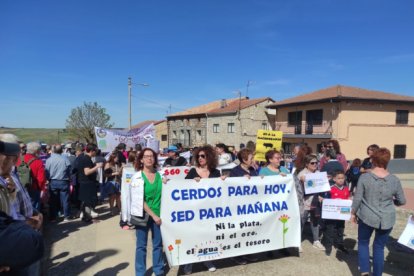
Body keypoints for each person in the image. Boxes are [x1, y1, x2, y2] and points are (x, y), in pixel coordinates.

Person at [351, 148, 406, 276]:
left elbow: (357, 198)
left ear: (373, 160)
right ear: (388, 161)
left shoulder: (364, 178)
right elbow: (402, 200)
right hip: (387, 218)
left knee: (363, 243)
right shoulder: (394, 180)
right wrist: (394, 201)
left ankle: (365, 270)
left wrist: (353, 213)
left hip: (367, 216)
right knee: (379, 247)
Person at [183, 145, 221, 274]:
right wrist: (191, 182)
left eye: (203, 156)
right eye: (198, 156)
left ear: (209, 157)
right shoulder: (193, 172)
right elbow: (181, 190)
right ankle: (188, 264)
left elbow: (221, 191)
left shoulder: (216, 172)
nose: (200, 158)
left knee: (208, 236)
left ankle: (208, 260)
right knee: (192, 237)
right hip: (194, 212)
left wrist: (224, 181)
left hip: (210, 213)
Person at [134, 148, 164, 276]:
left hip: (159, 214)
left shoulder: (161, 175)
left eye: (151, 156)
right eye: (146, 156)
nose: (149, 158)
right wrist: (153, 215)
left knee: (157, 245)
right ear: (141, 159)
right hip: (142, 215)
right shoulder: (137, 177)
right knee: (141, 246)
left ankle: (159, 270)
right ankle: (140, 273)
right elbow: (139, 200)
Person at [297, 154, 325, 251]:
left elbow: (321, 187)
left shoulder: (318, 172)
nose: (315, 164)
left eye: (316, 163)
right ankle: (297, 242)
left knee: (315, 221)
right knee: (301, 221)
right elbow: (303, 179)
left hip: (315, 201)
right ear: (307, 164)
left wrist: (321, 195)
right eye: (312, 163)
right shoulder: (302, 173)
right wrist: (312, 179)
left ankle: (316, 241)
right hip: (304, 202)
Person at [322, 170, 350, 256]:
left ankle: (340, 245)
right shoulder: (330, 189)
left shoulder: (346, 189)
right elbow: (325, 200)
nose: (341, 180)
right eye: (339, 178)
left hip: (341, 215)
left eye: (342, 178)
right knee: (330, 230)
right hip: (331, 216)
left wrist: (349, 201)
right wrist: (324, 200)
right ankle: (328, 246)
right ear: (334, 179)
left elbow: (348, 199)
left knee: (340, 230)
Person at [75, 143, 103, 223]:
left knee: (86, 201)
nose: (96, 153)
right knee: (87, 201)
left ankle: (86, 217)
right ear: (91, 151)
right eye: (95, 151)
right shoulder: (86, 159)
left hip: (85, 183)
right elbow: (87, 172)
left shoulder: (84, 158)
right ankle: (87, 218)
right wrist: (97, 166)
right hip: (86, 183)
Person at [45, 144, 72, 222]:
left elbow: (46, 172)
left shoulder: (49, 160)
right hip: (63, 181)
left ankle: (53, 217)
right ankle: (66, 216)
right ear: (61, 150)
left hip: (53, 181)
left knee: (53, 200)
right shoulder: (65, 159)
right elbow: (69, 170)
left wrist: (47, 179)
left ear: (53, 150)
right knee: (65, 199)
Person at [24, 142, 47, 211]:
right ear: (36, 151)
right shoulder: (38, 162)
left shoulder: (20, 159)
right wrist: (41, 189)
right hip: (34, 188)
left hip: (21, 187)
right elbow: (41, 179)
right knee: (34, 209)